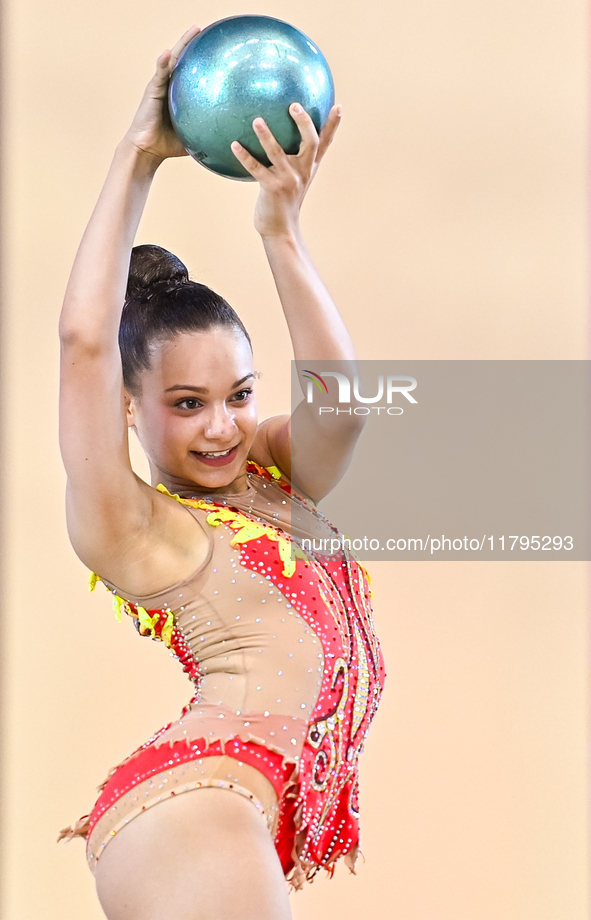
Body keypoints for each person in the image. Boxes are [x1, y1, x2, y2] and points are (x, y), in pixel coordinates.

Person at [58, 25, 385, 920]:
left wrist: (281, 230)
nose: (221, 428)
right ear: (131, 408)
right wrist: (137, 156)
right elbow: (86, 343)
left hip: (242, 816)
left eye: (238, 394)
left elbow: (343, 408)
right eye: (186, 403)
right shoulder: (136, 526)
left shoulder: (275, 478)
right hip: (195, 806)